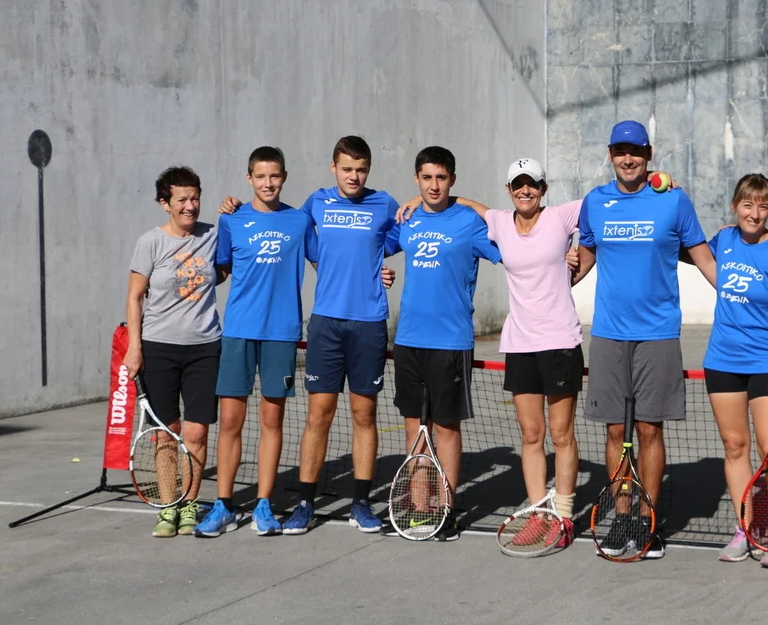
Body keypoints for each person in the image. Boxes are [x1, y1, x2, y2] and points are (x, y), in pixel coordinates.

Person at [396, 157, 589, 548]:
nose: (525, 190)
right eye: (518, 184)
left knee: (561, 434)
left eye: (532, 184)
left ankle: (563, 517)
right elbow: (464, 202)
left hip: (560, 342)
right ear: (508, 190)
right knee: (531, 435)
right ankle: (539, 514)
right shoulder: (499, 222)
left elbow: (605, 205)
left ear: (544, 188)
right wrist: (415, 200)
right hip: (520, 343)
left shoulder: (560, 217)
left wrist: (583, 256)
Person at [218, 136, 398, 536]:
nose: (354, 176)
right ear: (333, 168)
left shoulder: (385, 203)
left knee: (364, 415)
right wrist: (233, 206)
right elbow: (273, 221)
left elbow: (408, 229)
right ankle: (304, 504)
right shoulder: (313, 206)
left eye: (361, 169)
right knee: (318, 416)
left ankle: (361, 504)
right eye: (346, 168)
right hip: (325, 324)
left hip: (369, 322)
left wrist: (380, 266)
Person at [574, 120, 717, 559]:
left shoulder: (672, 200)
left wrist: (745, 300)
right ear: (610, 155)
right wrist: (547, 286)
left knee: (650, 429)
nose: (628, 158)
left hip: (658, 334)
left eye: (635, 150)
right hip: (608, 334)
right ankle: (622, 518)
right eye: (620, 150)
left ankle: (648, 522)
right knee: (616, 430)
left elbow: (706, 260)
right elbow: (583, 260)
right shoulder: (595, 202)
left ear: (648, 154)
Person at [195, 147, 318, 537]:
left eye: (275, 176)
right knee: (230, 421)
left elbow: (326, 264)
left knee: (271, 421)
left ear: (284, 177)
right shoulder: (231, 219)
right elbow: (219, 270)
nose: (268, 183)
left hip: (281, 334)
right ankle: (224, 505)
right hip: (238, 332)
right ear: (249, 178)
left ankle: (264, 504)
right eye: (261, 176)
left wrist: (375, 275)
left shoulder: (300, 221)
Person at [388, 146, 502, 541]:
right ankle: (420, 508)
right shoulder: (406, 221)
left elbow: (508, 240)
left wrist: (465, 202)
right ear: (416, 179)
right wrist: (380, 273)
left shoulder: (469, 222)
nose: (434, 185)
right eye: (426, 178)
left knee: (446, 428)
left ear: (452, 179)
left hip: (451, 342)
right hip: (408, 341)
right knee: (414, 429)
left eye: (441, 177)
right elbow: (367, 248)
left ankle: (446, 509)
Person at [693, 174, 768, 568]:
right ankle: (746, 529)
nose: (755, 214)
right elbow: (686, 246)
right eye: (747, 205)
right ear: (735, 206)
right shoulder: (724, 240)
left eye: (763, 206)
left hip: (767, 366)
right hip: (722, 361)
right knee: (734, 447)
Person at [125, 166, 225, 538]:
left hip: (205, 349)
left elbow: (226, 268)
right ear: (164, 203)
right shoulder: (150, 242)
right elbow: (135, 298)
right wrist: (135, 348)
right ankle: (168, 507)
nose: (190, 206)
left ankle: (189, 505)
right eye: (181, 199)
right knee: (167, 434)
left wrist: (233, 207)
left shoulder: (213, 236)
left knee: (196, 432)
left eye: (195, 198)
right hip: (158, 350)